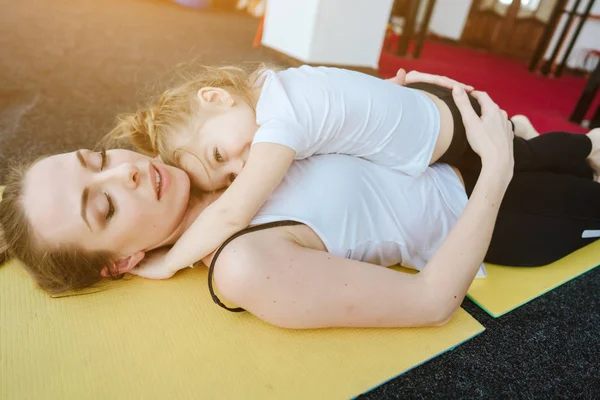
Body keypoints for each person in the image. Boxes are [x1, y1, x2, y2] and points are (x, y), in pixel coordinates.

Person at [2, 87, 600, 329]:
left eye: (94, 158)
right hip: (506, 211)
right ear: (122, 260)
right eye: (103, 204)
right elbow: (428, 303)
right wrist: (497, 172)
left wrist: (411, 93)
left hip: (479, 148)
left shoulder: (198, 149)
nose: (125, 169)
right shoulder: (243, 263)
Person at [103, 64, 545, 278]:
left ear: (216, 98)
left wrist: (170, 264)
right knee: (520, 157)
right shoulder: (262, 88)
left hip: (443, 133)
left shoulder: (279, 125)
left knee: (522, 156)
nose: (243, 167)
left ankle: (562, 142)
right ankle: (527, 135)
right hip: (423, 126)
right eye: (228, 176)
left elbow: (231, 215)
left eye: (220, 155)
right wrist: (379, 93)